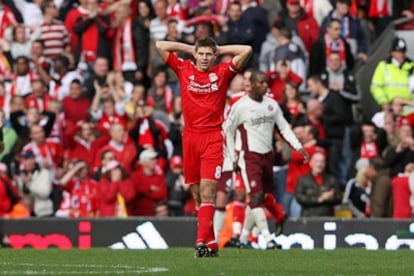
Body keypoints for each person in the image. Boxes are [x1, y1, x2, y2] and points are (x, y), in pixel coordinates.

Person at [156, 37, 252, 257]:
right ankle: (211, 244)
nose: (205, 58)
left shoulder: (222, 72)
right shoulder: (183, 68)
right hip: (190, 139)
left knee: (208, 193)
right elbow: (160, 45)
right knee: (198, 197)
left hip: (212, 139)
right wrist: (190, 49)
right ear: (196, 54)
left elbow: (247, 49)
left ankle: (200, 242)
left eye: (209, 54)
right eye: (202, 54)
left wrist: (220, 50)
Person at [225, 70, 308, 249]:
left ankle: (243, 239)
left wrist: (298, 146)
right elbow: (228, 131)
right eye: (262, 83)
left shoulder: (272, 104)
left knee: (260, 197)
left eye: (266, 82)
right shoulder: (240, 106)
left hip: (267, 156)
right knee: (253, 196)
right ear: (253, 84)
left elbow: (284, 128)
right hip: (248, 156)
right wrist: (232, 157)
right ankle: (268, 239)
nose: (266, 86)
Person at [295, 151, 342, 217]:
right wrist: (319, 199)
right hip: (309, 217)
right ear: (311, 163)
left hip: (327, 216)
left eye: (322, 162)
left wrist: (331, 198)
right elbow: (299, 197)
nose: (319, 164)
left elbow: (339, 198)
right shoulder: (303, 180)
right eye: (316, 161)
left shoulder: (332, 180)